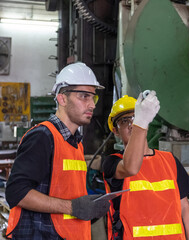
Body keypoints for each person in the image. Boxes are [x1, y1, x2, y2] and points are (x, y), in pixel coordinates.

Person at [5, 62, 110, 240]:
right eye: (84, 96)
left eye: (94, 97)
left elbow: (66, 192)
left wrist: (88, 207)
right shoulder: (43, 137)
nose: (92, 104)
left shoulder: (75, 143)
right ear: (62, 98)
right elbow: (16, 192)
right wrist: (72, 207)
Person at [102, 92, 189, 240]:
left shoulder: (170, 160)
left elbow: (184, 208)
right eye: (125, 121)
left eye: (136, 117)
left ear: (147, 119)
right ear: (116, 131)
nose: (132, 124)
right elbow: (130, 167)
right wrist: (140, 123)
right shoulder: (112, 163)